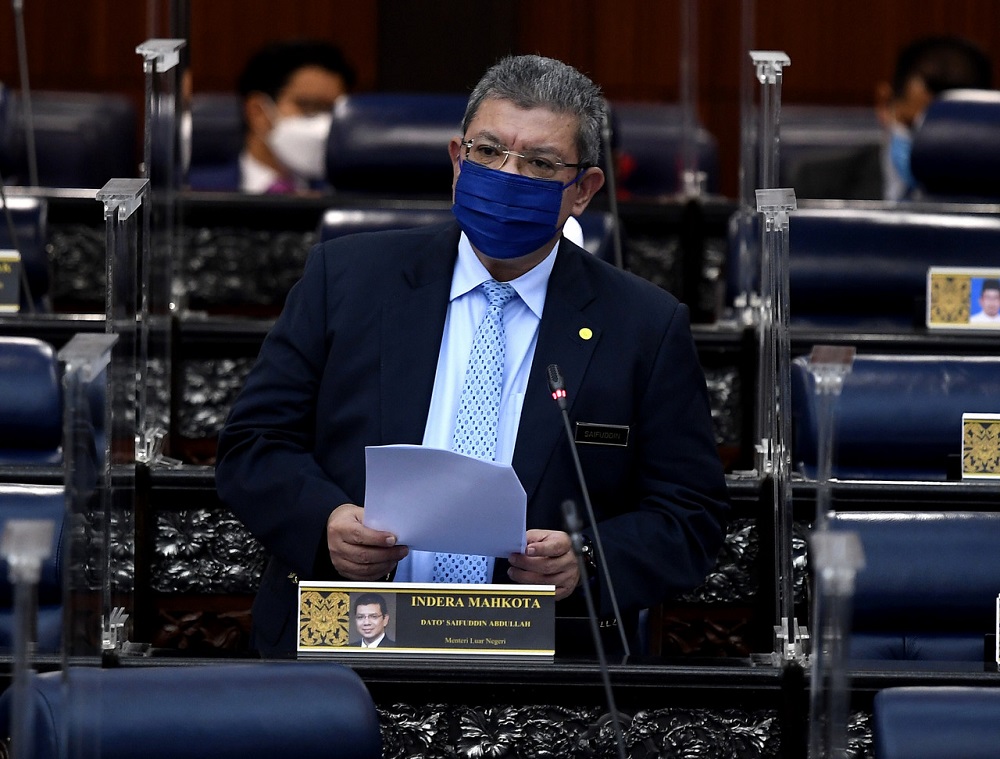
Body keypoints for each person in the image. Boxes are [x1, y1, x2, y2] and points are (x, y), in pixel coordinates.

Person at [216, 54, 731, 659]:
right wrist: (326, 521)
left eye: (538, 163)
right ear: (458, 160)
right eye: (488, 153)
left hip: (536, 662)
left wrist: (586, 557)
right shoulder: (348, 279)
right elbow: (252, 444)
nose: (507, 175)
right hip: (347, 630)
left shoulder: (643, 325)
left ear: (584, 190)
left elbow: (690, 514)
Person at [794, 35, 993, 201]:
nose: (929, 144)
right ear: (885, 103)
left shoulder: (991, 200)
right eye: (913, 126)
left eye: (946, 134)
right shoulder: (816, 184)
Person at [188, 39, 356, 194]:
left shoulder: (344, 194)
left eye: (332, 111)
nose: (324, 122)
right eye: (309, 106)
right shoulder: (192, 191)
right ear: (258, 112)